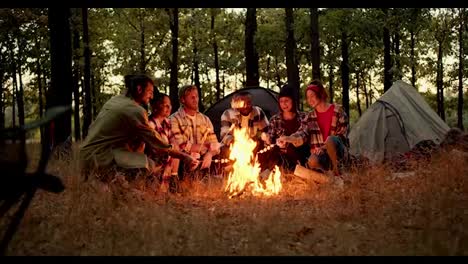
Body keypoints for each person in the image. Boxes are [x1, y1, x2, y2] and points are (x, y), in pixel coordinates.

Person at [79, 74, 198, 184]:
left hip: (86, 154)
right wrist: (185, 157)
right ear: (139, 89)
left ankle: (114, 185)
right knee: (148, 164)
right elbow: (159, 145)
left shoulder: (115, 100)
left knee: (138, 150)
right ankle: (127, 191)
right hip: (101, 157)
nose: (151, 96)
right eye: (150, 92)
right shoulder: (136, 111)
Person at [278, 80, 349, 177]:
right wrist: (288, 138)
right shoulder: (310, 117)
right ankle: (328, 176)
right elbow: (301, 133)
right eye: (308, 97)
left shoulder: (338, 111)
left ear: (320, 94)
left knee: (331, 139)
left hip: (338, 153)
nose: (310, 100)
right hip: (323, 156)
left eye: (312, 96)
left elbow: (342, 136)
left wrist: (323, 147)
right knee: (312, 161)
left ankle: (339, 173)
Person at [170, 85, 220, 182]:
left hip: (204, 158)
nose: (196, 100)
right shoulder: (174, 119)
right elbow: (180, 145)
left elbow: (214, 145)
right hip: (185, 159)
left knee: (223, 154)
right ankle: (179, 182)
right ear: (183, 100)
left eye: (197, 96)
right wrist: (205, 147)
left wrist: (209, 154)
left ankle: (212, 180)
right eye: (192, 97)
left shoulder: (205, 119)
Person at [261, 84, 310, 173]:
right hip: (282, 157)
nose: (284, 104)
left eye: (287, 100)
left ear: (293, 101)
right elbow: (270, 143)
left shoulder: (304, 117)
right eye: (281, 101)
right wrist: (268, 139)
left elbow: (307, 138)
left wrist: (290, 140)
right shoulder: (275, 120)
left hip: (301, 155)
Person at [147, 92, 179, 192]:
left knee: (176, 150)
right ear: (156, 106)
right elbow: (154, 147)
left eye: (169, 105)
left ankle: (173, 182)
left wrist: (175, 146)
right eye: (165, 105)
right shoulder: (150, 123)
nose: (169, 107)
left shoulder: (167, 122)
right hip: (154, 161)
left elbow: (173, 140)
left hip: (167, 159)